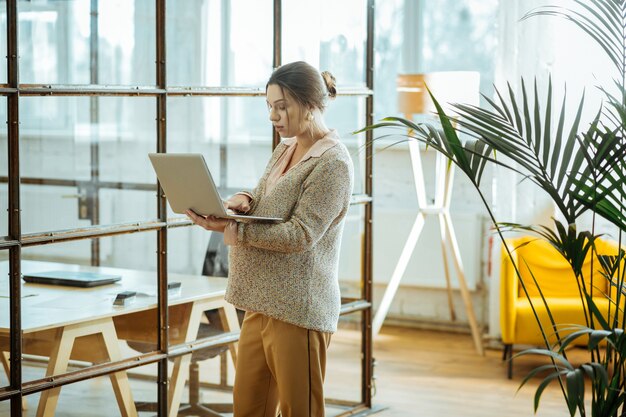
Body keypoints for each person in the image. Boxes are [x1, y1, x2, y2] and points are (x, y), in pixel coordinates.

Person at [186, 60, 354, 417]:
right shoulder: (286, 148)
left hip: (298, 309)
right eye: (269, 107)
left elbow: (300, 234)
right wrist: (244, 201)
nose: (273, 117)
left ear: (310, 105)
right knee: (249, 409)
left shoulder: (332, 163)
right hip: (259, 300)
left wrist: (231, 228)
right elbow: (270, 199)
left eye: (282, 107)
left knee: (301, 411)